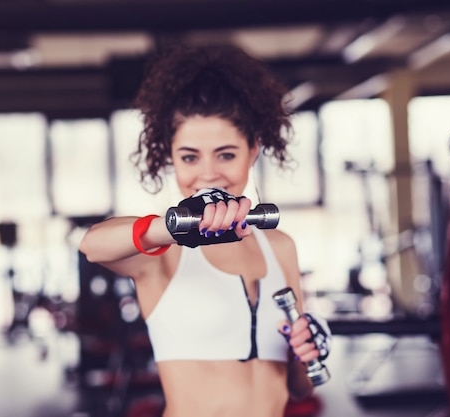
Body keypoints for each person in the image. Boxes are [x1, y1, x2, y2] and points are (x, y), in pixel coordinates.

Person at [79, 44, 331, 417]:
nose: (208, 173)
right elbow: (92, 245)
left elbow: (298, 387)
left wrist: (305, 349)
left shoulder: (280, 248)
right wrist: (176, 227)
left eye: (226, 154)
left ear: (253, 151)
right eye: (190, 157)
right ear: (171, 157)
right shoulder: (163, 253)